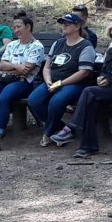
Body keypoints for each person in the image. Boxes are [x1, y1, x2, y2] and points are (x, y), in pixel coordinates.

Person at [52, 18, 112, 156]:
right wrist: (102, 78)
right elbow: (105, 70)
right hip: (109, 89)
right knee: (91, 103)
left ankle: (72, 127)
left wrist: (110, 80)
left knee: (89, 91)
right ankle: (87, 147)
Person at [0, 15, 46, 153]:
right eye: (14, 27)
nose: (15, 30)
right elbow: (2, 64)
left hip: (25, 83)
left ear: (28, 27)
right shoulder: (13, 44)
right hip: (6, 81)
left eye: (19, 27)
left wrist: (8, 70)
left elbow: (27, 71)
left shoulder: (37, 46)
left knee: (4, 98)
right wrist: (17, 67)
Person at [28, 13, 96, 145]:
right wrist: (48, 80)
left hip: (74, 83)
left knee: (56, 102)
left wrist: (60, 83)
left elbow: (84, 72)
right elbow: (47, 67)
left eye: (67, 23)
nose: (63, 26)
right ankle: (59, 127)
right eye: (62, 23)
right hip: (52, 81)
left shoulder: (86, 46)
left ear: (77, 26)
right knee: (34, 101)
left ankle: (47, 133)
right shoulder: (58, 43)